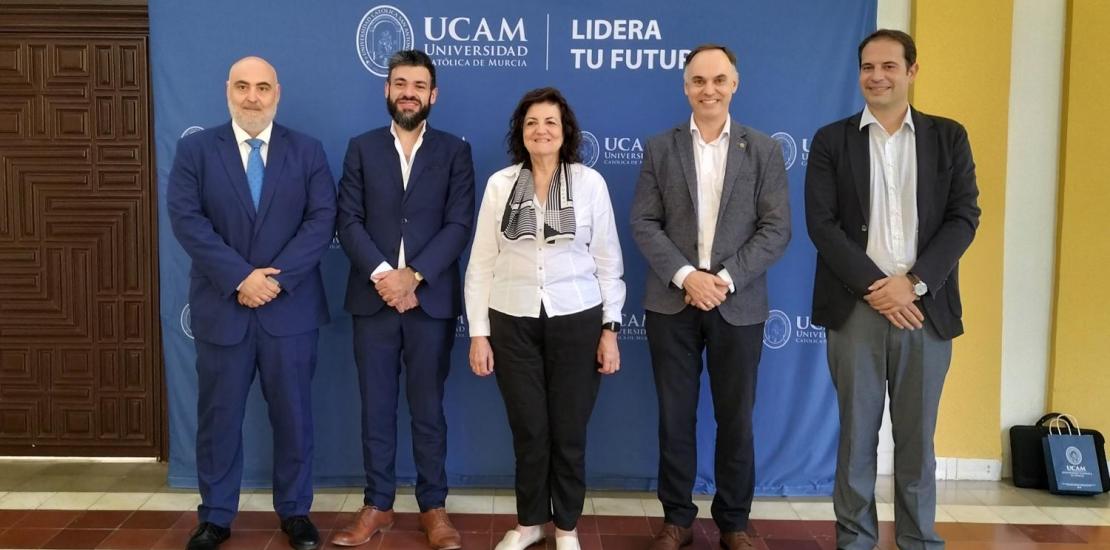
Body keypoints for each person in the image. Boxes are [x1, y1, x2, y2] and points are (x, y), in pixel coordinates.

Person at [804, 29, 980, 550]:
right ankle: (854, 540)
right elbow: (822, 224)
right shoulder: (831, 140)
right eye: (867, 67)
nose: (876, 76)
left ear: (912, 71)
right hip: (856, 306)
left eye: (887, 66)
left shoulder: (949, 137)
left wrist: (914, 283)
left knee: (916, 440)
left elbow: (963, 217)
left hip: (926, 309)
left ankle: (919, 540)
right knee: (856, 438)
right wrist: (877, 287)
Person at [167, 56, 336, 550]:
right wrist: (241, 277)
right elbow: (187, 220)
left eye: (262, 87)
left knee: (294, 417)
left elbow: (320, 221)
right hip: (225, 309)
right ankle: (216, 516)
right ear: (228, 91)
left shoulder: (307, 151)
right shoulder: (197, 150)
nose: (252, 97)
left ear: (277, 93)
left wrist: (274, 282)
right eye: (242, 87)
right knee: (219, 419)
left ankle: (296, 513)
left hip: (290, 310)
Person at [629, 44, 791, 550]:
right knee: (675, 418)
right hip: (672, 303)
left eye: (719, 80)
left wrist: (722, 278)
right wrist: (686, 276)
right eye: (698, 80)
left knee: (735, 419)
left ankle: (734, 523)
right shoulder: (660, 147)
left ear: (735, 84)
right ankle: (676, 520)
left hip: (736, 304)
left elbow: (776, 228)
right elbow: (644, 222)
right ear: (685, 87)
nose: (709, 89)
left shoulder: (762, 149)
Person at [465, 87, 625, 550]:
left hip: (577, 318)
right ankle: (531, 521)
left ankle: (567, 526)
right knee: (530, 429)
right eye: (532, 122)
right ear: (521, 131)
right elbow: (481, 263)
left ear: (565, 131)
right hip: (511, 319)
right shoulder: (500, 184)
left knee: (569, 429)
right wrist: (480, 333)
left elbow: (609, 262)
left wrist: (610, 329)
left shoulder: (588, 183)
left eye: (550, 122)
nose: (541, 130)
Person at [332, 50, 474, 550]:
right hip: (373, 302)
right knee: (376, 408)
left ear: (433, 95)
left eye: (418, 84)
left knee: (428, 409)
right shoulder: (361, 148)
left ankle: (434, 508)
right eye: (399, 83)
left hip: (428, 303)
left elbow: (459, 224)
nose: (408, 92)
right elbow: (346, 220)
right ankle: (378, 506)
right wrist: (384, 277)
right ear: (386, 91)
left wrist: (413, 277)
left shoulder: (455, 151)